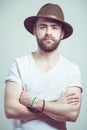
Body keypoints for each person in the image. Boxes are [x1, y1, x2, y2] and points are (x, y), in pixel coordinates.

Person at [4, 3, 83, 130]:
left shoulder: (72, 69)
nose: (48, 32)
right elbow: (11, 110)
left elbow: (72, 114)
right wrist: (56, 106)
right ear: (34, 30)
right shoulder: (19, 64)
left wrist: (34, 102)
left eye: (54, 27)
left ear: (62, 33)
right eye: (43, 27)